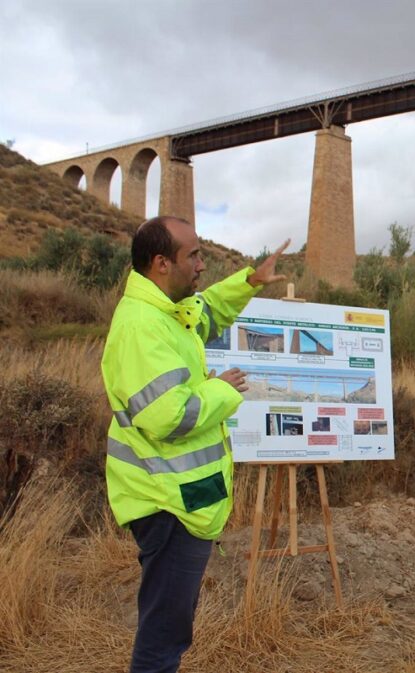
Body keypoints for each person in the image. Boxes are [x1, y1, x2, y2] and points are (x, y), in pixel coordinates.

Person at [101, 215, 289, 673]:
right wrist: (222, 388)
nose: (203, 265)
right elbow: (169, 415)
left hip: (183, 496)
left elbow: (208, 310)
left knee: (171, 626)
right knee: (165, 635)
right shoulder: (142, 327)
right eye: (195, 255)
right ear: (162, 263)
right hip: (166, 504)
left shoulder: (168, 311)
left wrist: (250, 281)